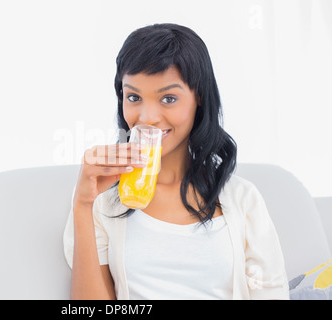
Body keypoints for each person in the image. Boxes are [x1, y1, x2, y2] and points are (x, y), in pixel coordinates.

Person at [63, 23, 289, 300]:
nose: (147, 117)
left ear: (200, 99)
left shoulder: (243, 199)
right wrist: (83, 204)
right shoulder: (102, 200)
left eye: (168, 98)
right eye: (133, 97)